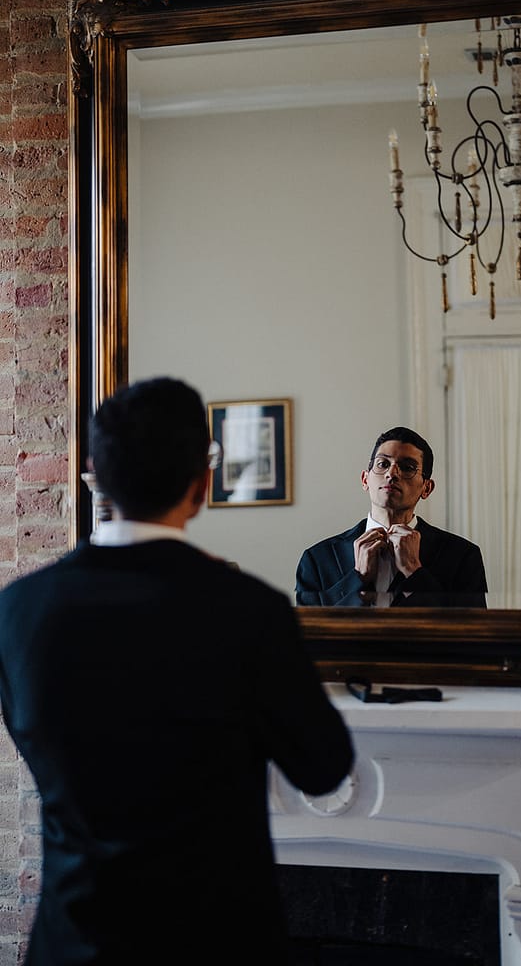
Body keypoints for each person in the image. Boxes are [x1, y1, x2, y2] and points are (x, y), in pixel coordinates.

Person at [0, 377, 353, 966]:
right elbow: (323, 769)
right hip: (217, 941)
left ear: (94, 474)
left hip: (73, 942)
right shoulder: (249, 610)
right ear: (202, 485)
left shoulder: (17, 610)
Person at [296, 426, 487, 608]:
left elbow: (471, 628)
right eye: (383, 464)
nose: (392, 473)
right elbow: (308, 629)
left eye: (407, 467)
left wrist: (415, 571)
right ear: (365, 480)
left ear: (426, 488)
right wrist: (357, 577)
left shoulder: (463, 556)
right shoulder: (316, 559)